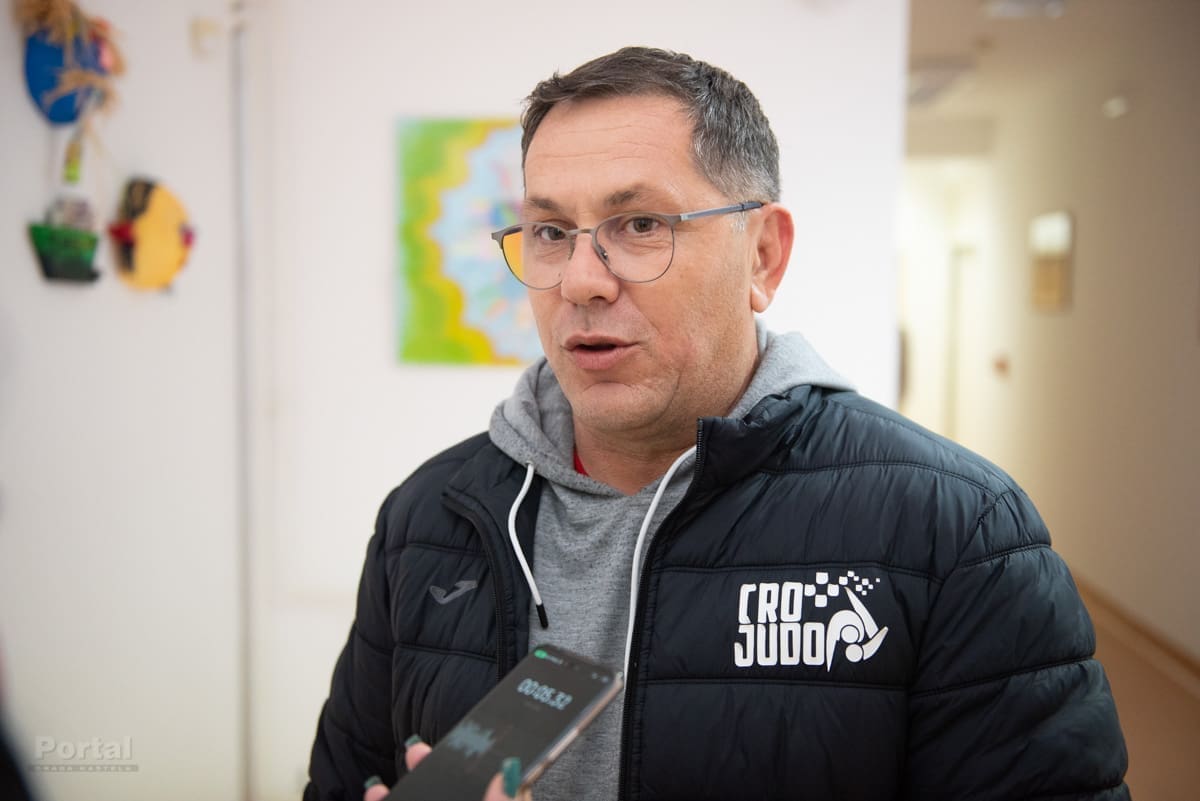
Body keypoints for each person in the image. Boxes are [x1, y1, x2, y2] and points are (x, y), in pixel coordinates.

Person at [306, 46, 1130, 801]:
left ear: (763, 255)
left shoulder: (956, 531)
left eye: (640, 225)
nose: (581, 281)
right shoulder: (428, 519)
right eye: (551, 232)